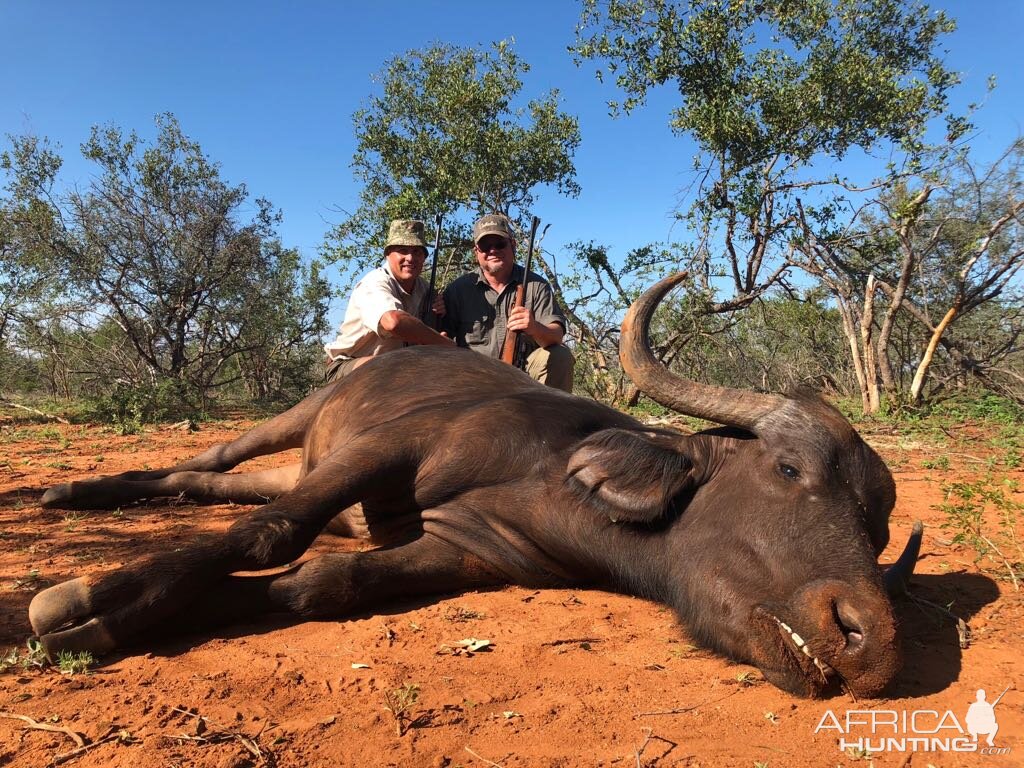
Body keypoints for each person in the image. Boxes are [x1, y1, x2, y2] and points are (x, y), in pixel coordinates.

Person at [439, 213, 574, 392]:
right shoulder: (458, 289)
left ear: (513, 245)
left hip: (523, 377)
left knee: (560, 356)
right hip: (473, 379)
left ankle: (554, 418)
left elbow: (556, 334)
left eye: (500, 243)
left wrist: (534, 327)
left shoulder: (536, 285)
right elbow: (442, 338)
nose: (493, 250)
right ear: (476, 251)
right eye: (485, 246)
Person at [324, 219, 452, 382]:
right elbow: (393, 322)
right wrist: (443, 343)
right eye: (402, 250)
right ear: (388, 254)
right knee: (394, 365)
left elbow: (429, 330)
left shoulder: (425, 289)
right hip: (349, 364)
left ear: (424, 257)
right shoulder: (374, 283)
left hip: (398, 362)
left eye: (417, 252)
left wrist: (439, 313)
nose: (410, 258)